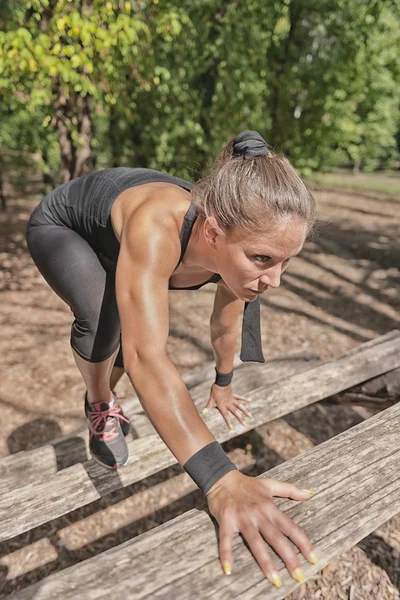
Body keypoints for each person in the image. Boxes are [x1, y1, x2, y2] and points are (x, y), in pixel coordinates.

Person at [26, 130, 318, 587]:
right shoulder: (159, 225)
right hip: (64, 227)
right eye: (263, 259)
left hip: (121, 238)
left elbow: (225, 324)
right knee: (108, 324)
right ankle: (100, 403)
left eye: (287, 262)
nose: (275, 280)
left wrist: (222, 382)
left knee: (123, 322)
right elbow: (146, 356)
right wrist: (220, 479)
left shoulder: (240, 243)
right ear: (213, 230)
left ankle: (104, 388)